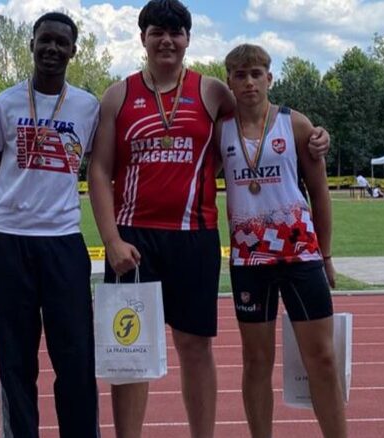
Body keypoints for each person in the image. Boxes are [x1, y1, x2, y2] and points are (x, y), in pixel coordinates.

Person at [87, 1, 330, 437]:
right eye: (157, 32)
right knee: (130, 352)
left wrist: (312, 136)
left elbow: (260, 119)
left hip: (194, 236)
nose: (167, 40)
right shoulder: (118, 95)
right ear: (143, 38)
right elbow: (100, 170)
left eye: (176, 32)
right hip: (133, 240)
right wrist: (111, 240)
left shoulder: (213, 91)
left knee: (195, 347)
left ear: (187, 39)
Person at [0, 12, 100, 438]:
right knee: (16, 360)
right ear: (32, 44)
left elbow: (102, 170)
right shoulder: (4, 104)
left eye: (61, 43)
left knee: (75, 358)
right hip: (10, 243)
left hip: (64, 243)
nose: (52, 48)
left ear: (74, 51)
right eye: (45, 40)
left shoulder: (88, 107)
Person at [217, 43, 346, 438]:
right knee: (256, 362)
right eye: (240, 75)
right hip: (249, 260)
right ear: (229, 82)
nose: (249, 82)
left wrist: (326, 255)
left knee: (321, 358)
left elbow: (320, 193)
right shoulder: (219, 131)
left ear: (269, 78)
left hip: (299, 255)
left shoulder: (296, 125)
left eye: (256, 74)